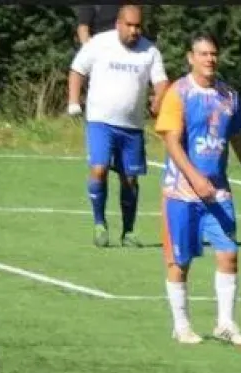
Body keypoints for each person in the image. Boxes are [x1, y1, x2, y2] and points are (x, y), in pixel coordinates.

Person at [155, 33, 241, 347]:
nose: (210, 59)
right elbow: (172, 142)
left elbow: (239, 139)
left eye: (213, 54)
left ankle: (226, 324)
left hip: (218, 192)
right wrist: (194, 177)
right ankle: (181, 326)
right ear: (191, 57)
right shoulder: (178, 93)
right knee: (180, 261)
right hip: (181, 192)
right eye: (203, 54)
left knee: (229, 254)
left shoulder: (229, 96)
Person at [68, 5, 169, 248]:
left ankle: (128, 231)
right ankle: (99, 224)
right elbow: (77, 70)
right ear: (118, 24)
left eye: (138, 26)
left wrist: (159, 99)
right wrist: (73, 101)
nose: (134, 30)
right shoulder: (100, 43)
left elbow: (161, 83)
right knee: (99, 169)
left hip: (132, 127)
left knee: (130, 180)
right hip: (100, 121)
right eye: (129, 25)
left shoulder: (150, 51)